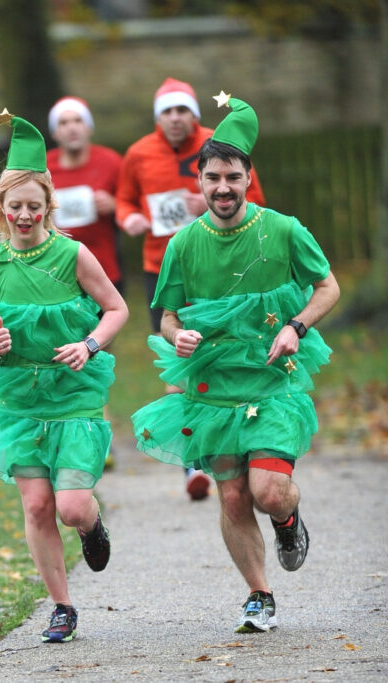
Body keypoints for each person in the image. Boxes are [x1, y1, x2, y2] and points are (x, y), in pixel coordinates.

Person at [130, 94, 340, 633]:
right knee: (231, 493)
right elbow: (167, 318)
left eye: (232, 176)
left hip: (272, 376)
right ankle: (259, 595)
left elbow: (327, 286)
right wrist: (178, 337)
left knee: (268, 491)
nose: (222, 188)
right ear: (198, 182)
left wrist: (297, 327)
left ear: (249, 177)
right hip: (212, 383)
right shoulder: (181, 245)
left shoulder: (286, 229)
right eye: (212, 178)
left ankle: (288, 520)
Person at [0, 110, 128, 644]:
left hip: (72, 393)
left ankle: (91, 524)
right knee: (37, 504)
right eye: (14, 207)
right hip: (17, 397)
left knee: (70, 506)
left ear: (47, 207)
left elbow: (116, 309)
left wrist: (89, 344)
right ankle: (62, 606)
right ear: (1, 209)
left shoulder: (72, 255)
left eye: (33, 207)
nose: (23, 215)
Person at [115, 77, 268, 501]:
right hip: (160, 268)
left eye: (183, 110)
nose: (176, 118)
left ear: (195, 114)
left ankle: (246, 451)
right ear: (157, 118)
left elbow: (257, 200)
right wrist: (129, 219)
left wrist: (213, 202)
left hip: (221, 269)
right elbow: (124, 198)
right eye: (167, 111)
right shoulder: (138, 153)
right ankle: (191, 465)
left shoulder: (221, 149)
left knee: (224, 361)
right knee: (179, 361)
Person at [46, 96, 124, 292]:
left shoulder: (111, 162)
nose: (72, 128)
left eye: (78, 121)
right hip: (55, 269)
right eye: (63, 123)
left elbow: (134, 203)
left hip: (103, 267)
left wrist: (114, 204)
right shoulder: (43, 168)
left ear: (89, 127)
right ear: (54, 132)